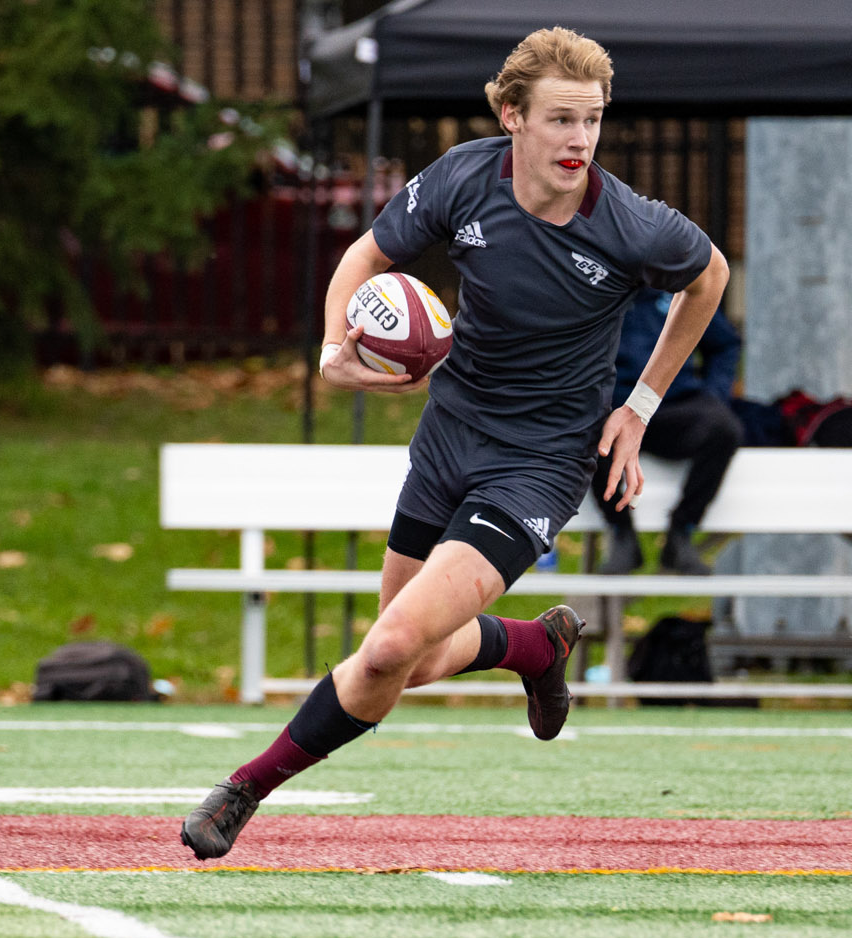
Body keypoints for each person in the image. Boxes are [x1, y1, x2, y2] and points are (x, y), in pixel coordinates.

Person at [181, 26, 727, 859]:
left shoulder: (632, 225)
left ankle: (245, 787)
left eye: (593, 120)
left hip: (537, 465)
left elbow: (710, 276)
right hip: (448, 438)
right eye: (560, 120)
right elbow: (363, 255)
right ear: (512, 116)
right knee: (403, 659)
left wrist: (639, 405)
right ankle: (535, 644)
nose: (580, 140)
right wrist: (334, 353)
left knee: (392, 647)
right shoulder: (464, 178)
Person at [593, 291, 743, 575]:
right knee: (587, 429)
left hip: (674, 404)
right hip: (614, 408)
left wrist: (714, 394)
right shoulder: (596, 286)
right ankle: (621, 533)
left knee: (723, 429)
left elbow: (724, 344)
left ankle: (681, 532)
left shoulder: (681, 287)